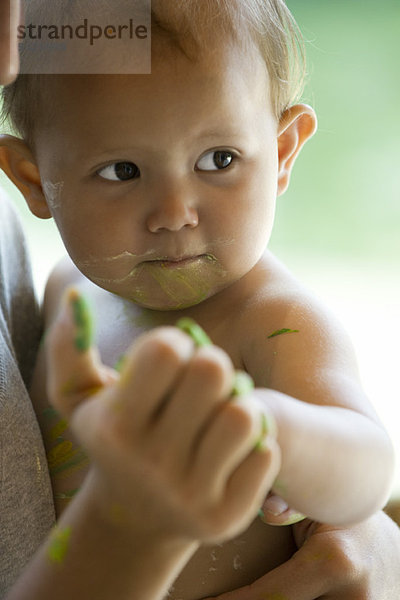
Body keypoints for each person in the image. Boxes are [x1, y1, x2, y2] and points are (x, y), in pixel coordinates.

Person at [1, 1, 400, 599]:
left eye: (220, 160)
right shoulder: (70, 293)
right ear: (36, 180)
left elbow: (366, 466)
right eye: (122, 171)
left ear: (284, 150)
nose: (175, 213)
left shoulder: (273, 320)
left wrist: (271, 430)